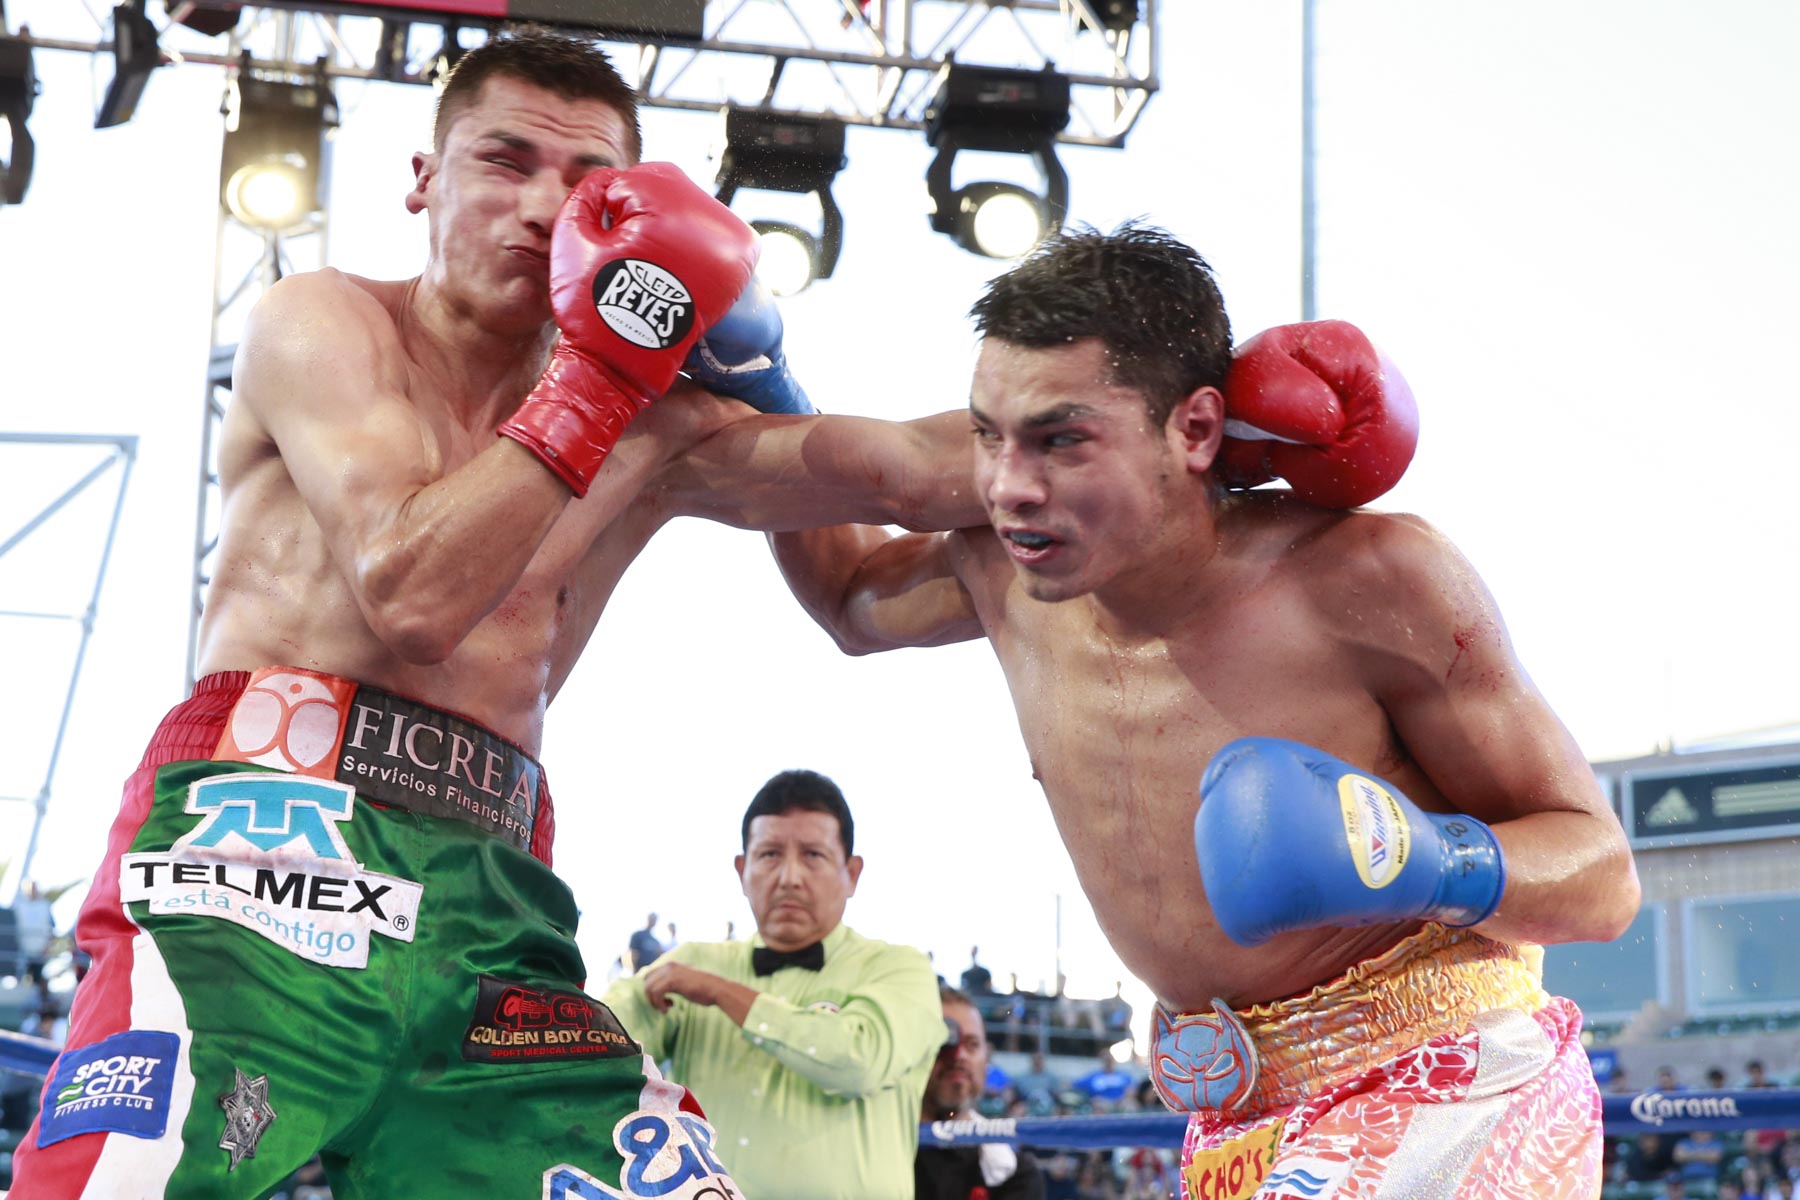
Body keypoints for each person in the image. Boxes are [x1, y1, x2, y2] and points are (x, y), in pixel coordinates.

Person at [10, 28, 984, 1200]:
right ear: (423, 180)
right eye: (504, 160)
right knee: (123, 1183)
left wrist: (1144, 446)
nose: (542, 205)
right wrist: (606, 376)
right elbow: (412, 593)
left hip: (490, 901)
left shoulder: (656, 426)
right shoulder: (322, 324)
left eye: (588, 184)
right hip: (256, 845)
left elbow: (908, 494)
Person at [772, 224, 1640, 1197]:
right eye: (988, 436)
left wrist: (1427, 858)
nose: (1010, 486)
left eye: (1060, 439)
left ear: (1192, 430)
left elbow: (1603, 878)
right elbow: (848, 597)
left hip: (1444, 1067)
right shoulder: (1007, 575)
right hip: (1229, 1116)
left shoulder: (1367, 578)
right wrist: (752, 368)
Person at [604, 770, 944, 1199]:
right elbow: (606, 1037)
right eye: (769, 854)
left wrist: (723, 992)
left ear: (852, 873)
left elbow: (857, 1062)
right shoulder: (693, 964)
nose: (789, 877)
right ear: (742, 870)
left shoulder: (900, 969)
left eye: (813, 855)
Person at [917, 984, 1045, 1200]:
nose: (959, 1055)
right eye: (945, 1041)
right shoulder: (875, 1151)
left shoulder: (1014, 1174)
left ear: (986, 1057)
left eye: (972, 1044)